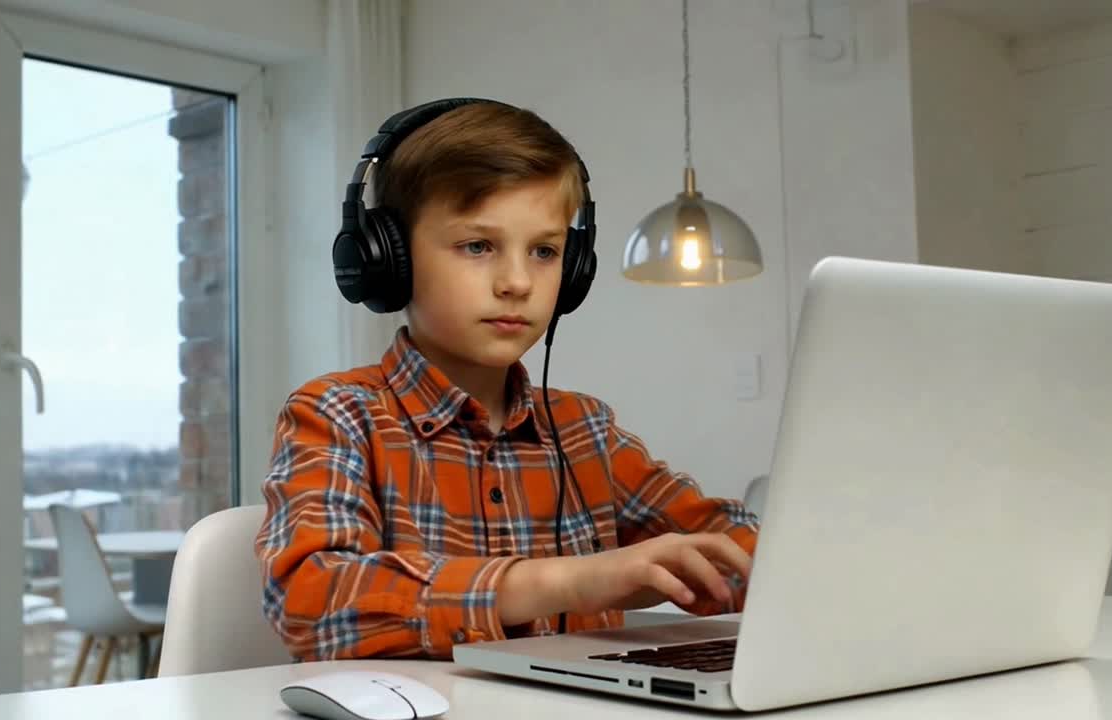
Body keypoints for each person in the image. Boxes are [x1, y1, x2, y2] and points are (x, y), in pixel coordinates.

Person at [255, 98, 759, 661]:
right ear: (384, 259)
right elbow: (310, 601)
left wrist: (773, 559)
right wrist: (569, 580)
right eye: (478, 246)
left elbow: (723, 538)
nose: (518, 282)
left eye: (545, 251)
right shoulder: (338, 414)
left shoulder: (584, 430)